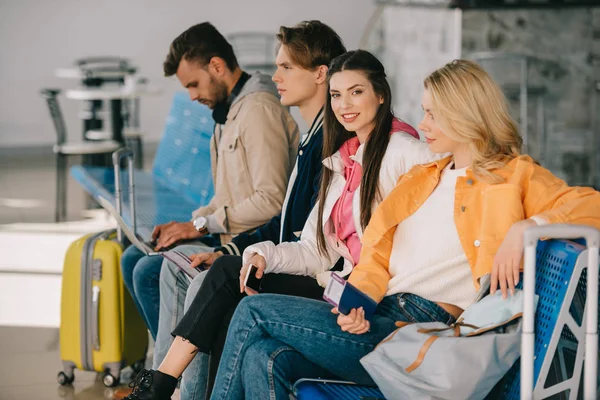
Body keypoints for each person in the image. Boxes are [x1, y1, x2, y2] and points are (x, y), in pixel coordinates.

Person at [207, 59, 600, 399]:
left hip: (424, 331)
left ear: (463, 114)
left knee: (253, 310)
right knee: (264, 356)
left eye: (432, 114)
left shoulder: (511, 176)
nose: (422, 123)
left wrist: (527, 229)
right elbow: (378, 252)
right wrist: (354, 304)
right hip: (380, 318)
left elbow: (591, 206)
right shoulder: (423, 176)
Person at [124, 49, 437, 400]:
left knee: (236, 291)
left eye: (357, 92)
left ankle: (163, 385)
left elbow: (453, 166)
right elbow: (315, 249)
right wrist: (261, 256)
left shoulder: (401, 149)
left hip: (366, 300)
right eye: (337, 94)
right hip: (341, 286)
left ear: (381, 94)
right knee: (236, 284)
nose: (344, 103)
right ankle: (167, 385)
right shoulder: (345, 156)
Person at [151, 20, 347, 400]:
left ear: (320, 74)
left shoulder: (328, 140)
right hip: (287, 255)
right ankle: (166, 384)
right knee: (177, 267)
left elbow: (295, 227)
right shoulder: (313, 136)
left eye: (286, 67)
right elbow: (286, 220)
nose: (275, 76)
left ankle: (167, 386)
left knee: (217, 278)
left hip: (319, 275)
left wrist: (221, 242)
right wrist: (226, 246)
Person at [120, 22, 299, 339]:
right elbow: (224, 196)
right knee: (134, 257)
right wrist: (192, 223)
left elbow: (272, 200)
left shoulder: (257, 110)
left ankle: (173, 373)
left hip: (248, 244)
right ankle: (167, 362)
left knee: (149, 271)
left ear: (217, 66)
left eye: (194, 84)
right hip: (225, 234)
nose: (191, 96)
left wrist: (202, 227)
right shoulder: (228, 112)